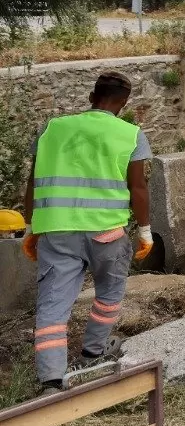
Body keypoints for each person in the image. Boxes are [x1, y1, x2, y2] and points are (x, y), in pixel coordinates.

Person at [21, 72, 155, 391]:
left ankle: (51, 381)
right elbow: (138, 188)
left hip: (57, 231)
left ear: (91, 97)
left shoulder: (50, 129)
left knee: (53, 306)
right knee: (109, 296)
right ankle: (93, 354)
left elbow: (32, 183)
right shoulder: (130, 134)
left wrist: (31, 228)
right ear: (122, 104)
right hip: (106, 233)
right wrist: (146, 232)